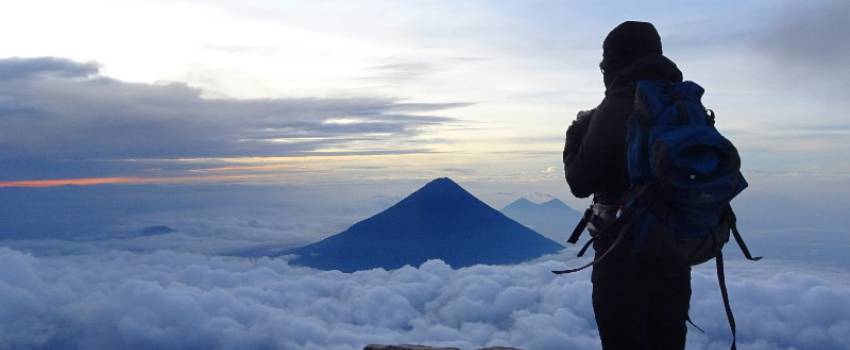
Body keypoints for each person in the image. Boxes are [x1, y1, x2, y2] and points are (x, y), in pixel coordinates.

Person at [563, 21, 691, 350]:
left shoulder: (617, 104)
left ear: (615, 61)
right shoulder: (679, 102)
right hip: (675, 252)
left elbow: (580, 181)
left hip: (621, 256)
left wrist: (574, 136)